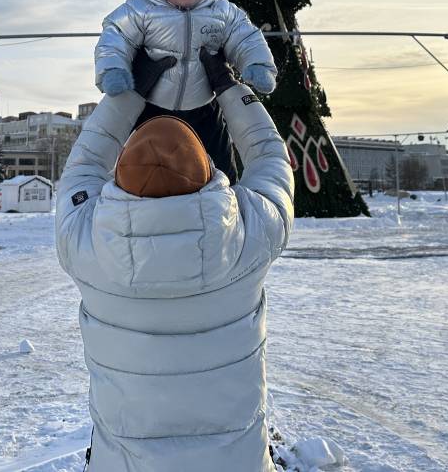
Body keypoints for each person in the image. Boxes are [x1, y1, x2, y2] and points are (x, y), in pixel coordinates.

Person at [56, 47, 294, 471]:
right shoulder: (248, 234)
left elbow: (84, 163)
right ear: (209, 169)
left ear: (119, 174)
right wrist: (230, 88)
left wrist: (128, 93)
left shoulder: (86, 241)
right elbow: (271, 157)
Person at [94, 0, 277, 181]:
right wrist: (113, 69)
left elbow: (245, 36)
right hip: (151, 107)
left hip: (205, 108)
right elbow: (116, 36)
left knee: (221, 164)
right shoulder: (142, 11)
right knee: (143, 166)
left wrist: (256, 64)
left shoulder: (220, 11)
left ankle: (228, 195)